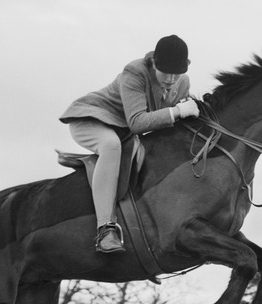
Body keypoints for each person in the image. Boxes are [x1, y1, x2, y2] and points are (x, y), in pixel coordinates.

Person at [59, 35, 200, 253]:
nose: (172, 79)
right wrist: (178, 111)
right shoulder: (135, 73)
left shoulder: (183, 82)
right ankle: (105, 229)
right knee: (110, 146)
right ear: (154, 64)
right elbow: (137, 122)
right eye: (166, 72)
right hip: (90, 119)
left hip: (122, 130)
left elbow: (173, 117)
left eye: (177, 73)